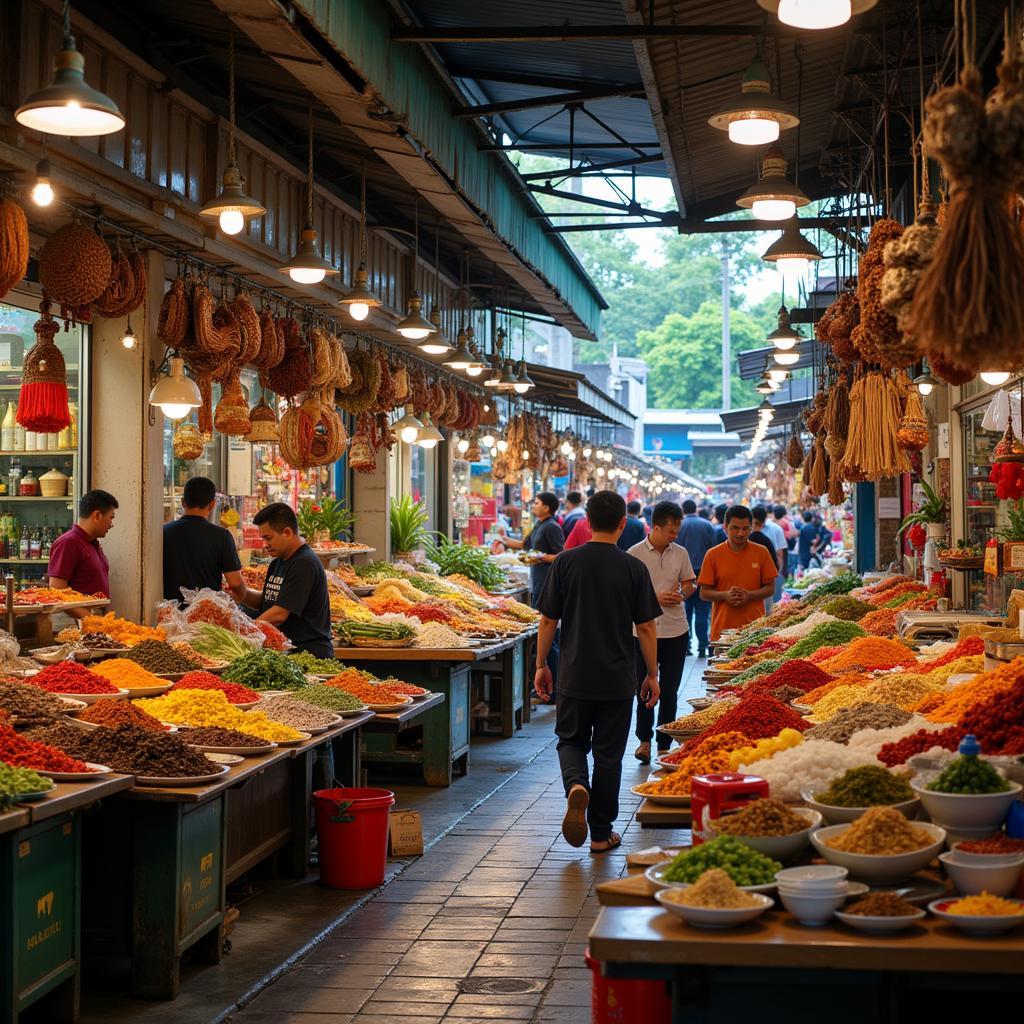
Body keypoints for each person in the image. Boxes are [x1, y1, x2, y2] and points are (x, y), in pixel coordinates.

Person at [534, 490, 661, 853]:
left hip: (574, 675)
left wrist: (542, 665)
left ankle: (576, 784)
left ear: (586, 522)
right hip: (618, 679)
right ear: (624, 523)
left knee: (571, 740)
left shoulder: (565, 562)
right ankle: (601, 834)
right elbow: (647, 628)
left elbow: (548, 620)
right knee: (609, 756)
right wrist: (652, 674)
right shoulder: (633, 567)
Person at [628, 500, 695, 764]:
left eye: (677, 532)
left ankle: (663, 744)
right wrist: (654, 597)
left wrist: (683, 593)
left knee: (670, 689)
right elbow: (626, 594)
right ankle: (644, 741)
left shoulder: (681, 553)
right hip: (642, 631)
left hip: (676, 630)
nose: (674, 536)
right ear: (655, 527)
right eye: (670, 531)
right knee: (643, 687)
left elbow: (690, 584)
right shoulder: (634, 554)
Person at [240, 502, 332, 658]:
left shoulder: (304, 563)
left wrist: (245, 633)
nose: (265, 545)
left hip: (307, 655)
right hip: (285, 653)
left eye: (268, 538)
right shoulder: (278, 562)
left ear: (287, 532)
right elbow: (269, 601)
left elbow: (279, 614)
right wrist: (241, 592)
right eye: (263, 539)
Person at [500, 493, 564, 697]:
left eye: (537, 503)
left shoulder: (552, 527)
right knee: (543, 636)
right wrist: (501, 539)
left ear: (547, 507)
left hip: (547, 585)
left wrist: (540, 557)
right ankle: (546, 684)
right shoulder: (539, 525)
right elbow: (523, 545)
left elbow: (561, 556)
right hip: (537, 585)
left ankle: (554, 690)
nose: (533, 506)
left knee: (549, 638)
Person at [697, 505, 778, 641]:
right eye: (735, 528)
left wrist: (750, 595)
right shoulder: (713, 555)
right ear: (725, 527)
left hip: (754, 631)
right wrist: (725, 595)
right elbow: (704, 593)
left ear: (751, 528)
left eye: (745, 528)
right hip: (722, 632)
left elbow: (770, 588)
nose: (740, 533)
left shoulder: (761, 552)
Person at [163, 477, 247, 604]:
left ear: (182, 502)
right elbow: (235, 582)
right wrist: (241, 597)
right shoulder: (222, 536)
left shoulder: (164, 532)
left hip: (170, 613)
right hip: (207, 614)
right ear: (212, 504)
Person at [48, 490, 118, 613]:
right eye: (110, 518)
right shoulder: (69, 543)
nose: (112, 524)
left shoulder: (91, 542)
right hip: (73, 623)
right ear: (97, 516)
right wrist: (89, 619)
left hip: (92, 619)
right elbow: (57, 590)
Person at [677, 498, 716, 659]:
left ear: (683, 509)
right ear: (696, 509)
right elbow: (714, 550)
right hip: (703, 574)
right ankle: (702, 646)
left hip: (683, 575)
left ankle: (685, 646)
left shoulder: (680, 525)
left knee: (685, 610)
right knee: (702, 611)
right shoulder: (707, 525)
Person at [754, 505, 788, 607]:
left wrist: (779, 573)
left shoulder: (775, 529)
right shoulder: (748, 530)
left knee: (770, 606)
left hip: (768, 575)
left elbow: (780, 553)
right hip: (757, 575)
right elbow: (779, 553)